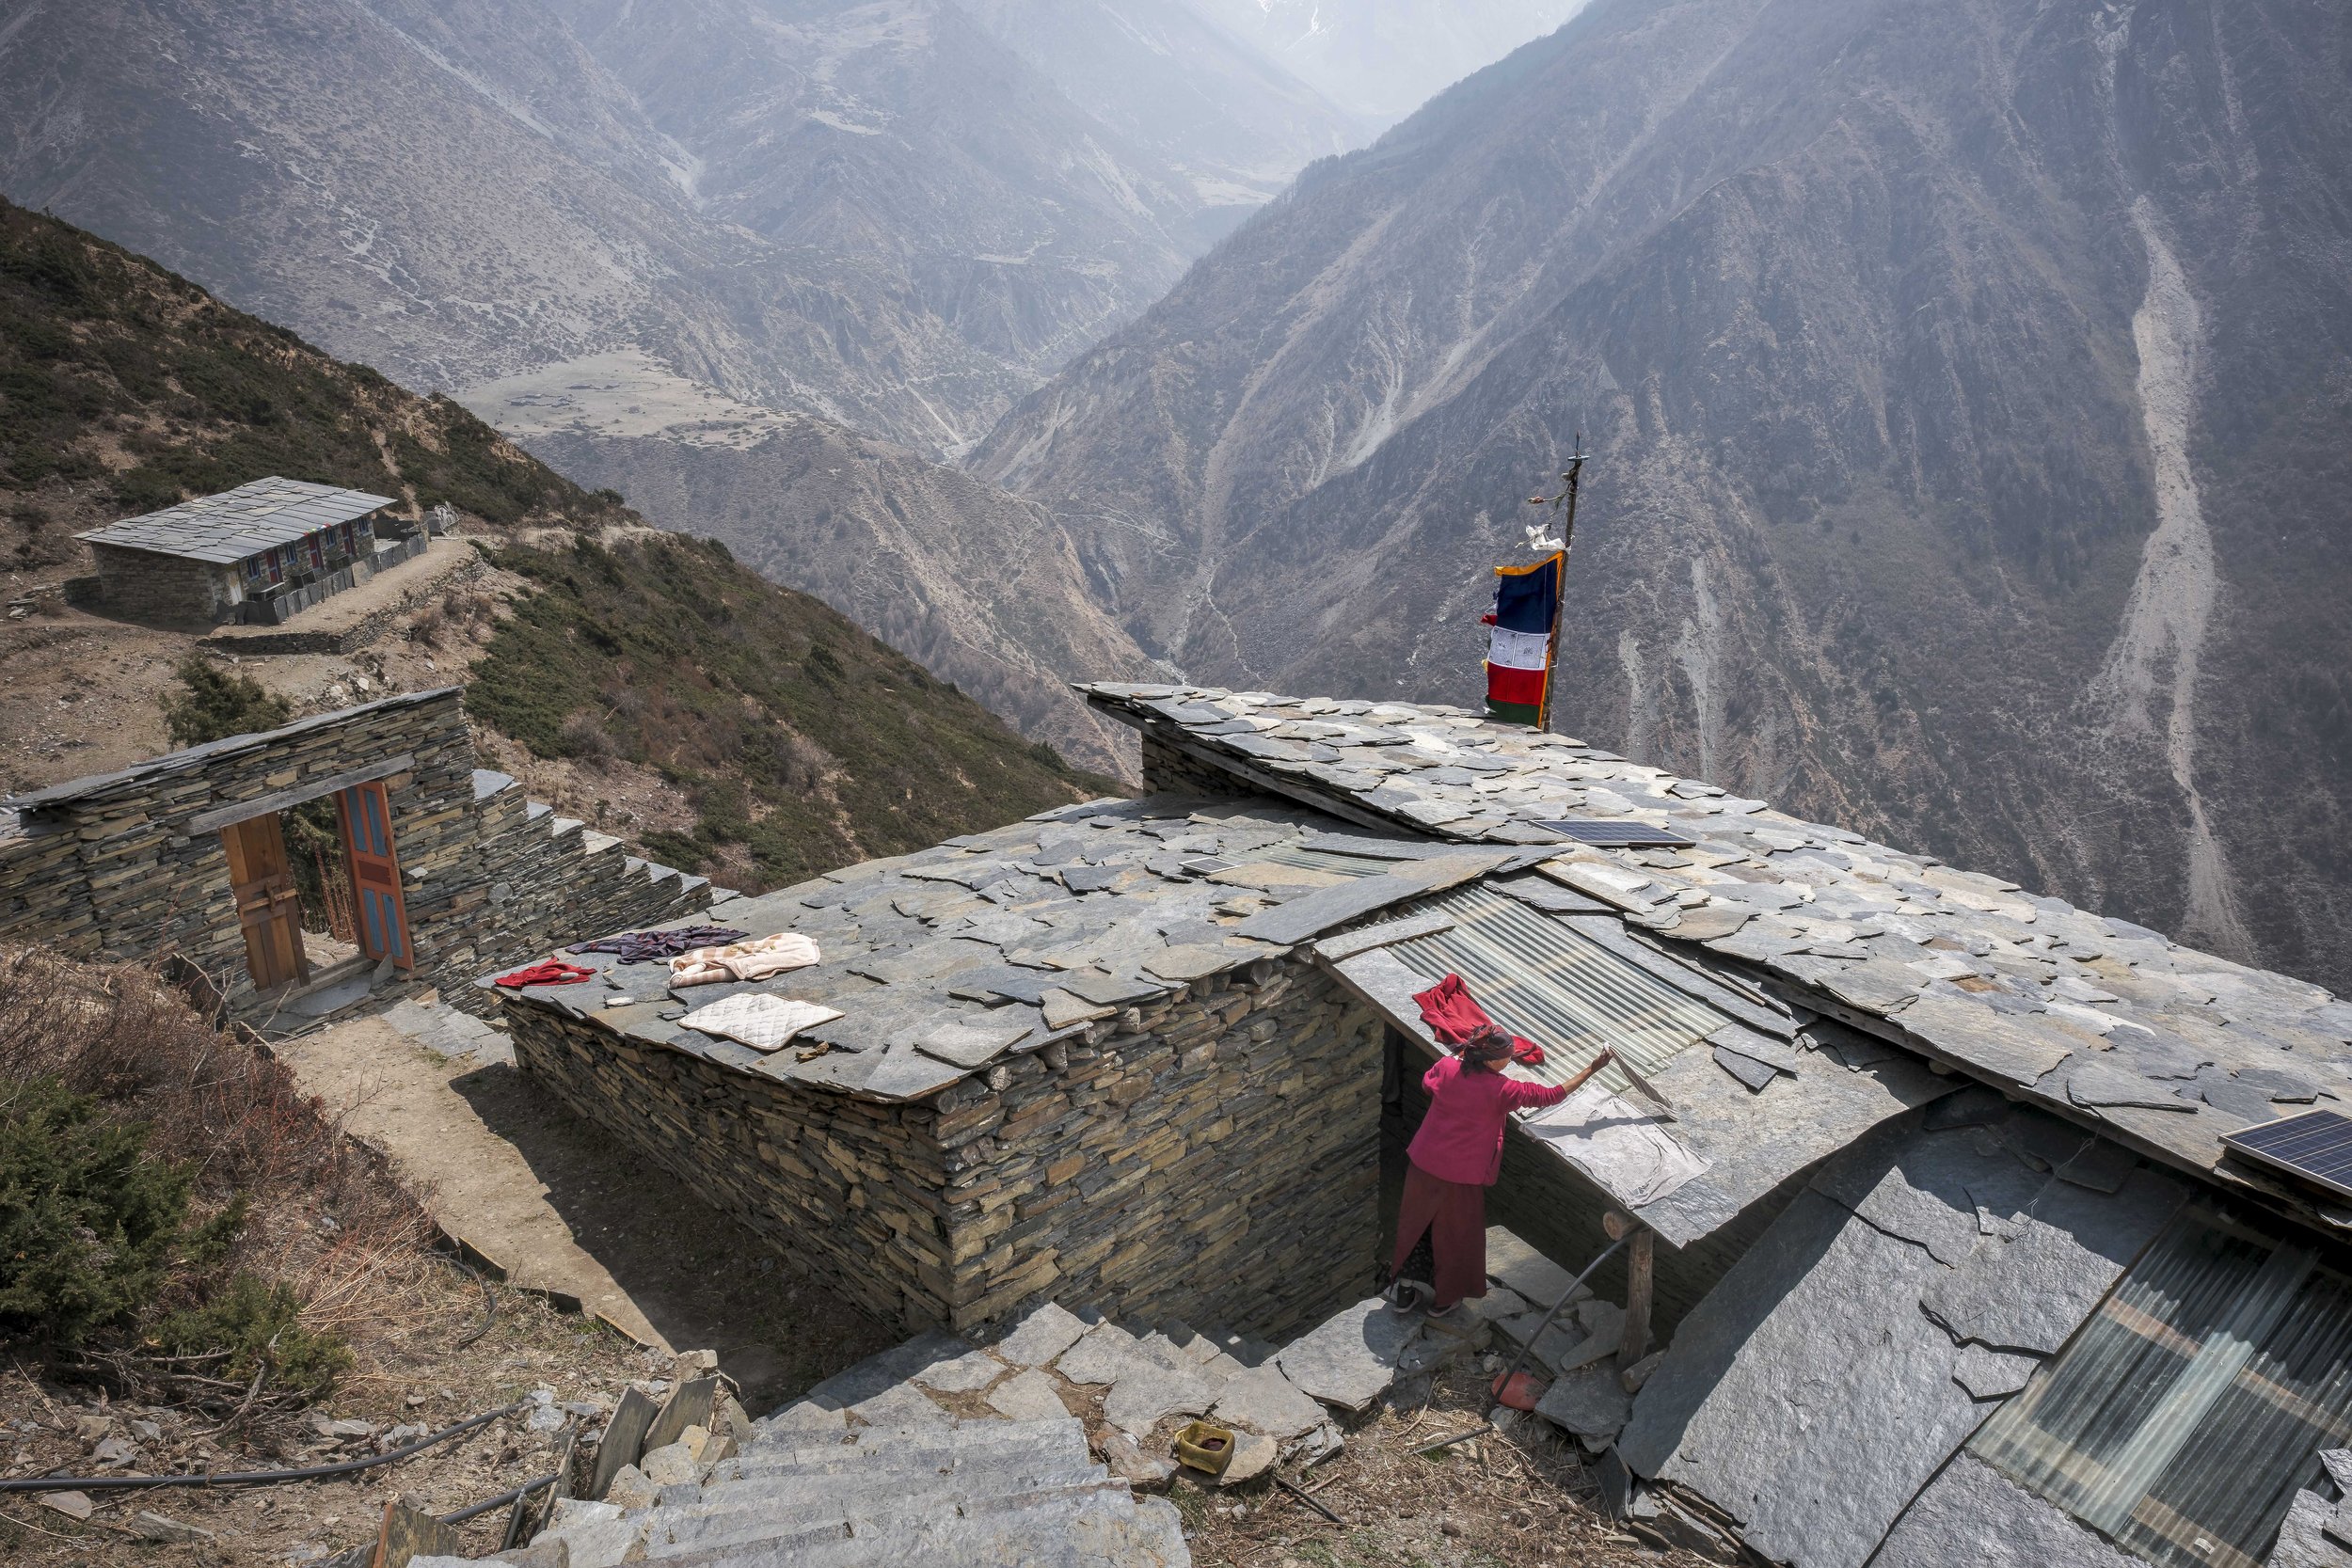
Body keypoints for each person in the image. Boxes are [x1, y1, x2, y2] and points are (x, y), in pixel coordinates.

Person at [1388, 1027, 1614, 1317]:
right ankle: (1444, 1300)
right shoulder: (1504, 1090)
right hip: (1461, 1179)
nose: (1510, 1061)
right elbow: (1552, 1095)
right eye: (1508, 1057)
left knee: (1415, 1225)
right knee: (1457, 1236)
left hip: (1423, 1165)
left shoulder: (1446, 1067)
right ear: (1492, 1061)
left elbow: (1427, 1084)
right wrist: (1592, 1068)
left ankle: (1405, 1293)